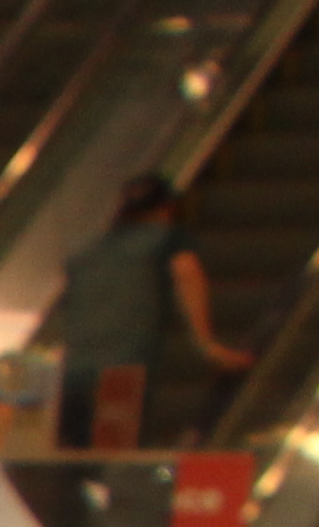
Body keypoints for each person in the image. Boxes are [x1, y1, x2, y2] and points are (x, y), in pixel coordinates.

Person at [42, 177, 244, 450]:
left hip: (72, 370)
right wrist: (206, 345)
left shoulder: (88, 249)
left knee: (76, 453)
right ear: (167, 208)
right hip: (122, 368)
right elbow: (185, 271)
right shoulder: (166, 239)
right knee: (113, 451)